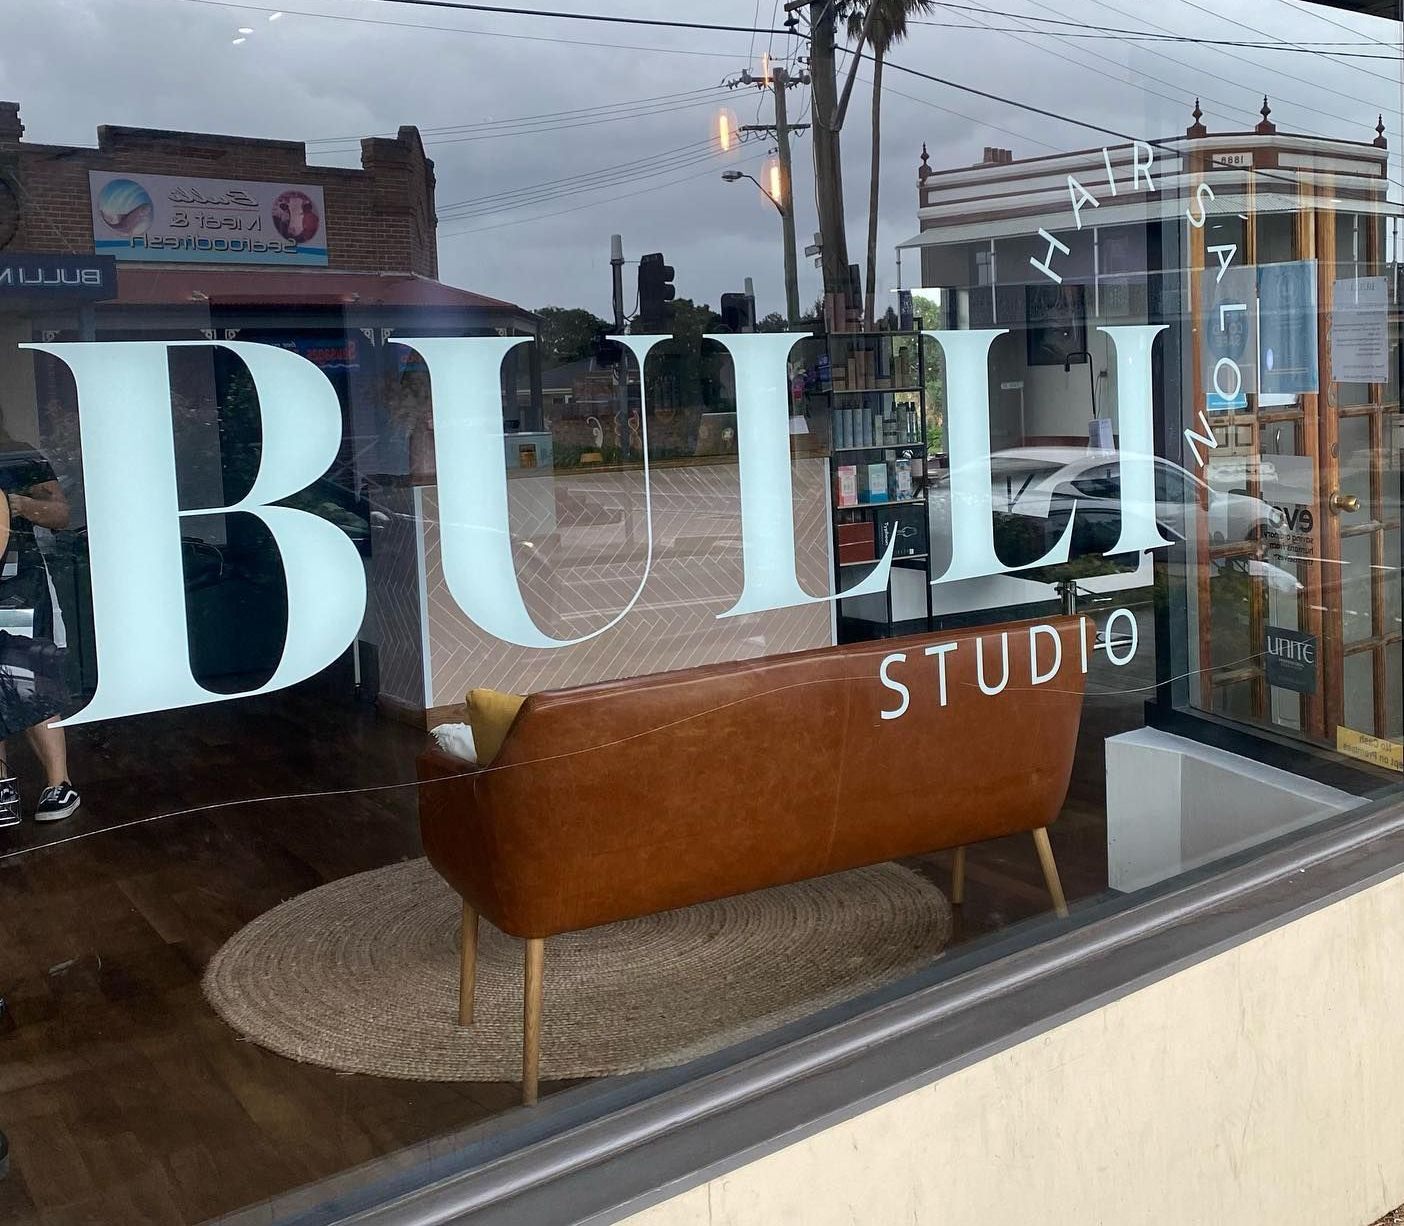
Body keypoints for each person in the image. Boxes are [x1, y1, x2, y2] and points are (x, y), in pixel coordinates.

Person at [0, 427, 79, 826]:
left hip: (22, 585)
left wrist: (17, 505)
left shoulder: (18, 456)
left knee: (31, 677)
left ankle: (58, 782)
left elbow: (61, 515)